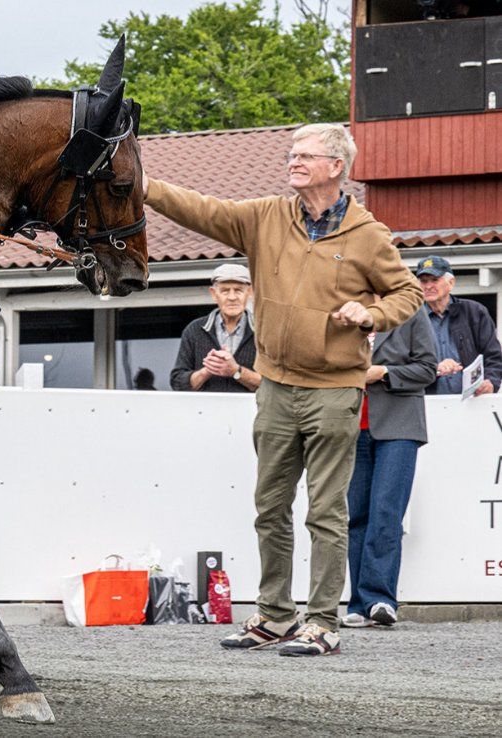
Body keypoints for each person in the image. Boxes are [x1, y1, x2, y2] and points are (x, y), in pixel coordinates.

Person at [144, 123, 423, 656]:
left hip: (335, 389)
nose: (292, 161)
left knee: (326, 512)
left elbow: (406, 292)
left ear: (336, 166)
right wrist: (142, 183)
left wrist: (372, 313)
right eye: (291, 153)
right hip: (274, 386)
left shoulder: (368, 235)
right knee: (269, 506)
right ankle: (274, 616)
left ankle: (322, 622)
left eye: (305, 155)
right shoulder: (265, 217)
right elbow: (202, 209)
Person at [344, 306, 437, 629]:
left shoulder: (411, 313)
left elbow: (427, 369)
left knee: (385, 512)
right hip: (350, 427)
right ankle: (357, 602)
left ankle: (379, 599)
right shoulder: (346, 310)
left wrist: (383, 372)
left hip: (399, 426)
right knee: (355, 516)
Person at [414, 256, 502, 396]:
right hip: (427, 404)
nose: (428, 286)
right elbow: (404, 366)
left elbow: (493, 355)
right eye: (424, 281)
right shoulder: (412, 319)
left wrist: (491, 381)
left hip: (472, 402)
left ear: (451, 283)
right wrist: (435, 369)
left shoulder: (474, 312)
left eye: (435, 280)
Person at [171, 264, 260, 393]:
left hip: (249, 412)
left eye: (238, 290)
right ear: (214, 294)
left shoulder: (263, 332)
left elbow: (274, 387)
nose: (232, 297)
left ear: (249, 293)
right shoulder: (194, 330)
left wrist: (236, 371)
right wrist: (208, 370)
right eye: (225, 291)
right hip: (204, 412)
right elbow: (177, 384)